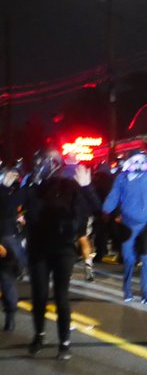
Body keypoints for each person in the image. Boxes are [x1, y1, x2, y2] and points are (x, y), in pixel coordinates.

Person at [24, 149, 100, 359]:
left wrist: (87, 187)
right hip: (39, 247)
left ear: (56, 164)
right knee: (39, 296)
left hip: (63, 247)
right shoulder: (34, 187)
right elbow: (27, 213)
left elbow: (96, 208)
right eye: (38, 164)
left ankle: (64, 342)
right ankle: (39, 335)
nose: (40, 167)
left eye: (45, 163)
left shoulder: (70, 185)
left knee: (61, 296)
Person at [102, 151, 147, 303]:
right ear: (128, 162)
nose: (138, 164)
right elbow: (113, 196)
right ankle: (127, 290)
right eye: (134, 160)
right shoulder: (121, 179)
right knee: (129, 260)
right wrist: (105, 210)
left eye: (141, 160)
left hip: (146, 224)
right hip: (128, 224)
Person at [0, 165, 25, 331]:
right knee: (7, 278)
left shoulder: (9, 194)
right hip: (9, 238)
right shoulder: (13, 195)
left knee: (7, 277)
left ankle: (10, 315)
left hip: (6, 238)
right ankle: (10, 315)